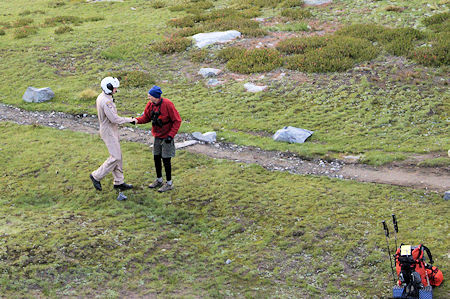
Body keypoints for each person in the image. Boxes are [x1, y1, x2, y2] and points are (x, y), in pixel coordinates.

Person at [89, 76, 136, 191]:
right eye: (114, 88)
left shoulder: (104, 97)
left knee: (118, 156)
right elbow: (114, 119)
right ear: (109, 87)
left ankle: (119, 182)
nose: (116, 90)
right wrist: (130, 120)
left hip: (111, 129)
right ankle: (96, 176)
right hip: (109, 130)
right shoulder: (106, 101)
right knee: (115, 156)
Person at [135, 85, 181, 192]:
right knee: (156, 158)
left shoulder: (168, 104)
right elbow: (146, 118)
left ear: (156, 97)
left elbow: (177, 120)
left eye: (150, 96)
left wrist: (171, 136)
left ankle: (169, 183)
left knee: (166, 159)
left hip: (167, 137)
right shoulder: (150, 105)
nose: (148, 98)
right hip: (157, 136)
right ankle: (159, 180)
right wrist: (135, 120)